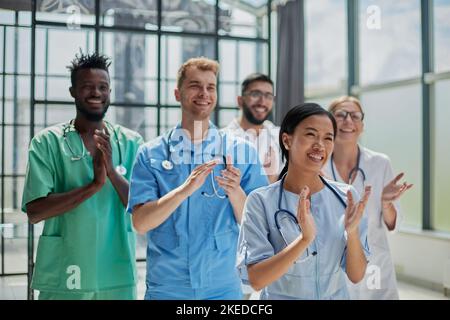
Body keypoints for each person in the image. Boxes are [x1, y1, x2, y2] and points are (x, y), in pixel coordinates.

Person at [128, 57, 268, 300]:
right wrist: (183, 190)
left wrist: (235, 191)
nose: (204, 93)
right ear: (177, 93)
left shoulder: (242, 152)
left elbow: (258, 223)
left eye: (210, 87)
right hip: (167, 286)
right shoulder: (151, 154)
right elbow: (140, 223)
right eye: (194, 85)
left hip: (222, 285)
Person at [21, 52, 143, 300]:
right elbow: (35, 212)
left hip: (115, 270)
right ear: (73, 91)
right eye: (87, 87)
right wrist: (94, 185)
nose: (96, 93)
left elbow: (143, 207)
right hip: (66, 269)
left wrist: (110, 172)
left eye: (103, 87)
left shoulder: (132, 143)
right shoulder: (47, 143)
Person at [237, 103, 372, 300]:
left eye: (328, 138)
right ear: (287, 140)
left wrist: (352, 234)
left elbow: (356, 275)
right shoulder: (260, 202)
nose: (320, 145)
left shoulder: (347, 198)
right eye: (311, 134)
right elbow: (256, 279)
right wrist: (304, 241)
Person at [322, 96, 413, 300]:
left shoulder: (380, 163)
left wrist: (386, 203)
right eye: (341, 115)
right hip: (332, 261)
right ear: (328, 122)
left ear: (362, 125)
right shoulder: (318, 166)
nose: (348, 121)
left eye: (355, 116)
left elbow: (392, 224)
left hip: (374, 261)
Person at [223, 73, 282, 183]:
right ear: (240, 100)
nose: (262, 102)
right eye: (255, 94)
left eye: (268, 96)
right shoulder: (223, 140)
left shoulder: (280, 136)